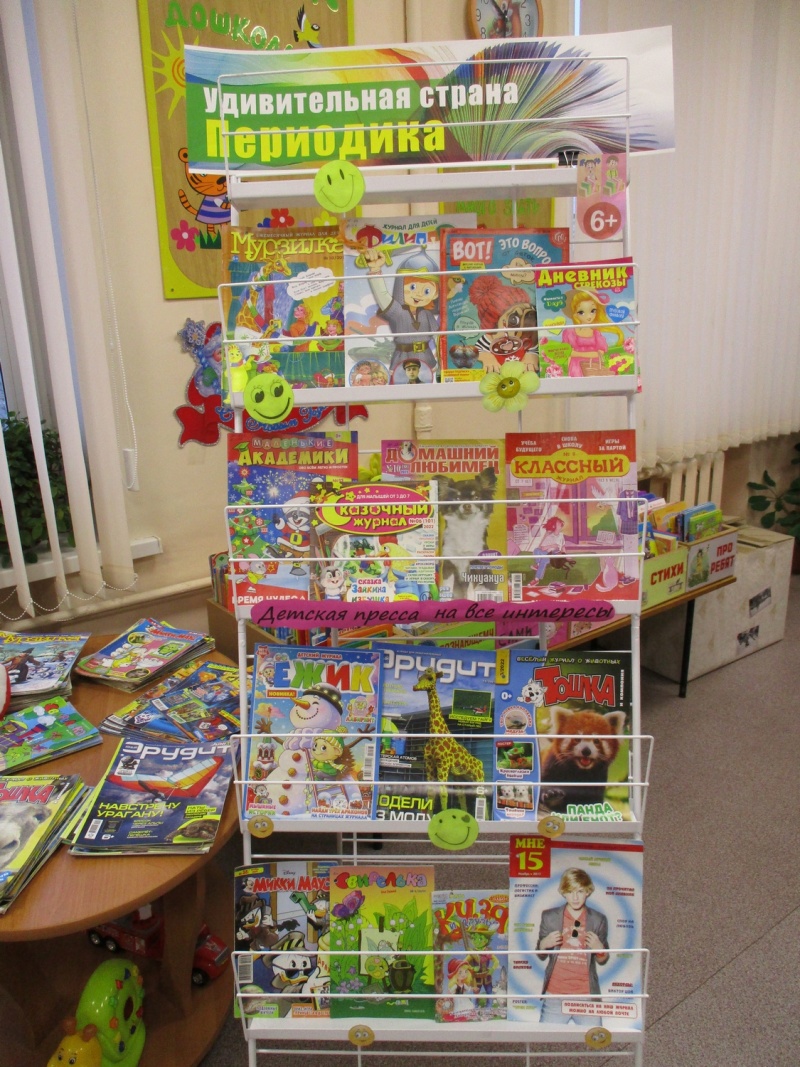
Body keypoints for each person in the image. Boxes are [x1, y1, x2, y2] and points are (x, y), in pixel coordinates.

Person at [536, 867, 609, 1025]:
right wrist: (544, 944)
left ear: (588, 891)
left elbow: (603, 960)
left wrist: (599, 948)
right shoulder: (549, 917)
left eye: (580, 891)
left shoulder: (598, 919)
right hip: (555, 994)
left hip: (586, 995)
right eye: (570, 892)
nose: (575, 897)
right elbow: (540, 954)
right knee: (545, 1038)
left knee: (594, 1038)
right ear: (563, 892)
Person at [363, 244, 440, 381]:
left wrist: (443, 358)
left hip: (427, 359)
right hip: (402, 358)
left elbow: (438, 337)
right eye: (412, 286)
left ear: (435, 294)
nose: (419, 294)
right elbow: (382, 296)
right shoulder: (397, 311)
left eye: (427, 290)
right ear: (400, 285)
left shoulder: (427, 315)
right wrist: (375, 269)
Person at [560, 289, 624, 377]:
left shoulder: (596, 334)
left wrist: (577, 353)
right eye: (581, 312)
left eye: (593, 311)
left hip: (593, 367)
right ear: (575, 314)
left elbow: (600, 353)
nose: (589, 316)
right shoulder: (569, 333)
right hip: (576, 368)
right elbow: (568, 353)